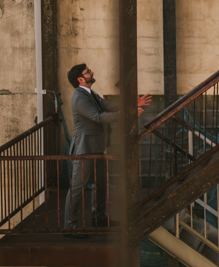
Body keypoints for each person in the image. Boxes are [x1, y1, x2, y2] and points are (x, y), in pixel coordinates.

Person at [63, 63, 152, 237]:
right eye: (88, 72)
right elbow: (98, 117)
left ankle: (99, 219)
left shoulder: (90, 94)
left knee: (101, 186)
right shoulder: (80, 98)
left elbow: (108, 106)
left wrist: (133, 104)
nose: (92, 72)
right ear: (81, 79)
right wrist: (129, 115)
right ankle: (69, 227)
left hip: (97, 148)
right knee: (77, 188)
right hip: (84, 150)